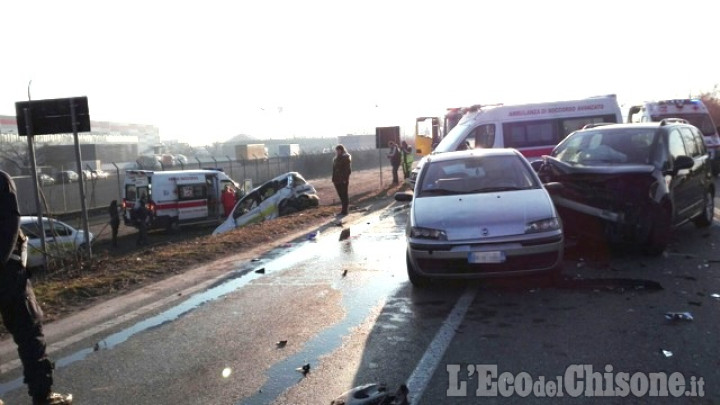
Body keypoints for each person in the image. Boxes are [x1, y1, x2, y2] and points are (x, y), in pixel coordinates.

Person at [0, 170, 73, 405]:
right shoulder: (1, 181)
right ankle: (44, 396)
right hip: (8, 275)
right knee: (29, 335)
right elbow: (8, 226)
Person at [332, 144, 352, 216]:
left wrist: (345, 179)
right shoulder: (335, 159)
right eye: (336, 150)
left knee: (344, 194)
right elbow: (334, 170)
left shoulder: (346, 158)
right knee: (340, 195)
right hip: (337, 179)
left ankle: (345, 210)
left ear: (342, 150)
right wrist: (333, 179)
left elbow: (348, 170)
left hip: (343, 179)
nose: (337, 152)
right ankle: (343, 210)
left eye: (338, 150)